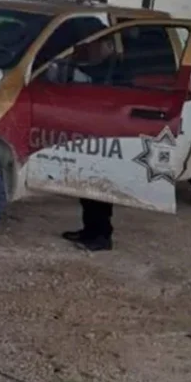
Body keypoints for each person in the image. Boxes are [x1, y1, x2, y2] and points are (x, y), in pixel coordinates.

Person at [60, 34, 118, 252]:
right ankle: (89, 231)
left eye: (95, 45)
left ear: (109, 46)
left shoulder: (115, 68)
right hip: (92, 133)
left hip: (107, 136)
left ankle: (102, 236)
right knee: (87, 189)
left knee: (100, 189)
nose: (90, 49)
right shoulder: (96, 66)